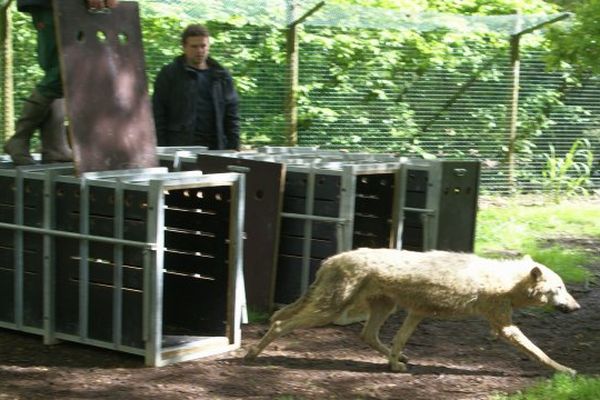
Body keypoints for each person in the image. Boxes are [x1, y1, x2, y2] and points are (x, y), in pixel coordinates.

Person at [4, 0, 119, 165]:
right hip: (51, 5)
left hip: (72, 5)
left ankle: (54, 146)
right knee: (63, 70)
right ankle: (21, 136)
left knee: (62, 71)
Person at [152, 24, 240, 150]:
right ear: (184, 47)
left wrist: (234, 146)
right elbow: (158, 114)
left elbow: (232, 114)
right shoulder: (170, 74)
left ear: (208, 46)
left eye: (203, 46)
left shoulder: (221, 76)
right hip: (180, 146)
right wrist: (161, 148)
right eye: (194, 46)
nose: (199, 51)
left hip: (215, 147)